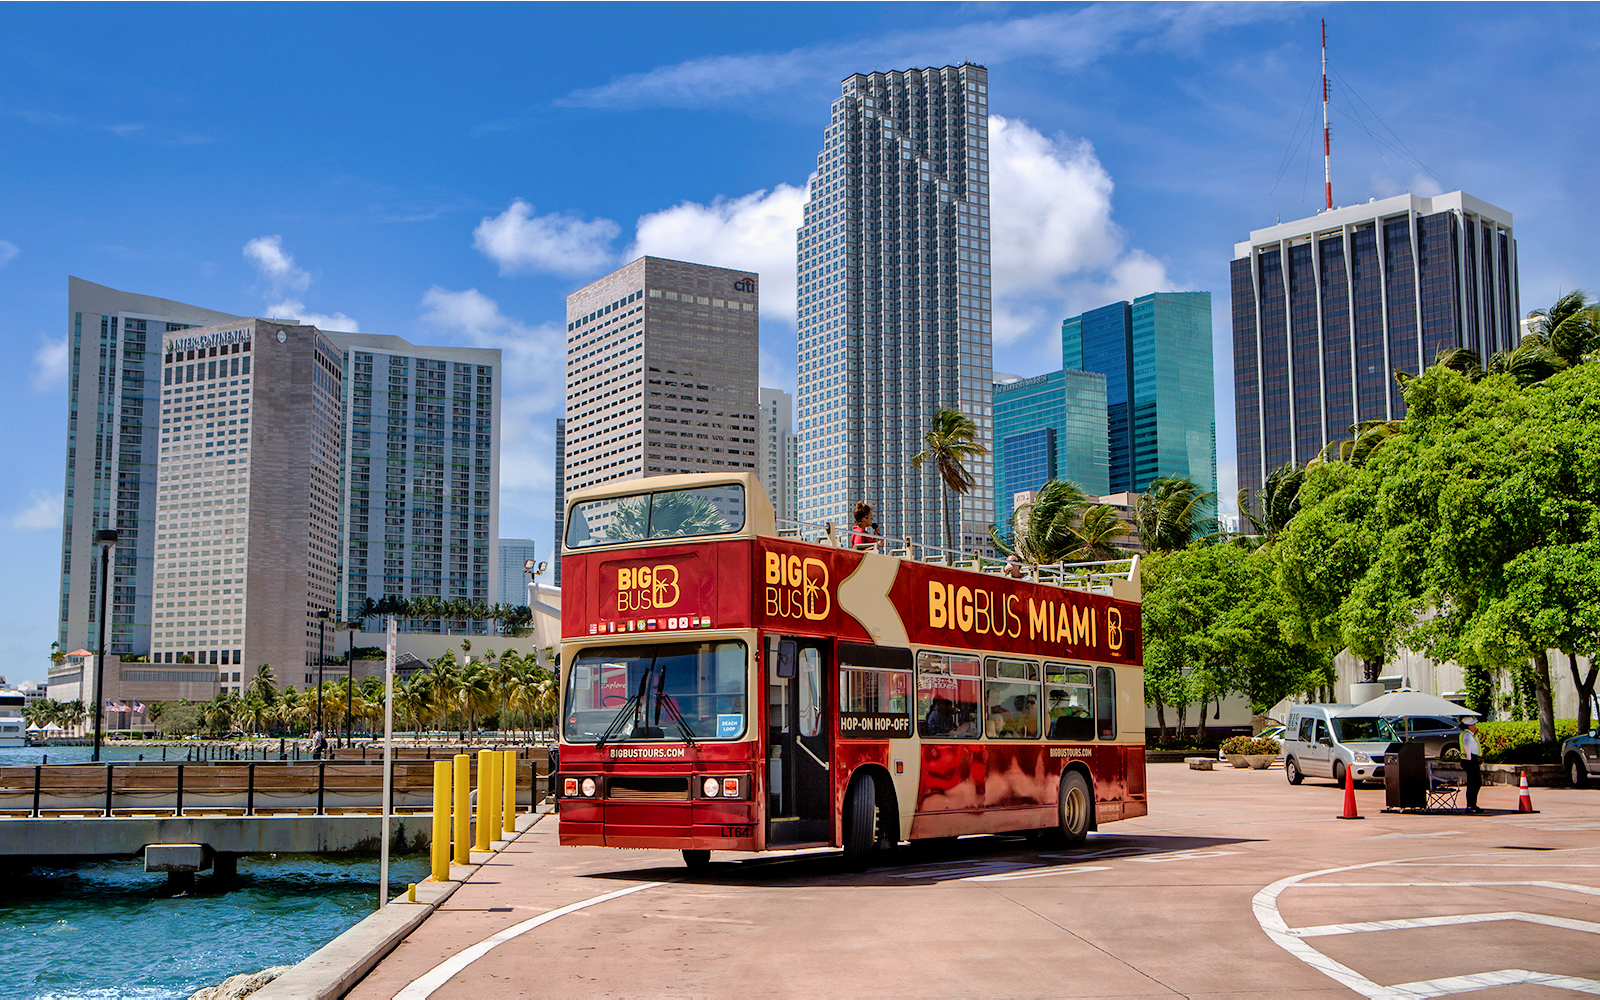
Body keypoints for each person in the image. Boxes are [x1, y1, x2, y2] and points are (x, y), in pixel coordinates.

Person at [1461, 717, 1483, 813]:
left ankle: (1472, 804)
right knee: (1474, 783)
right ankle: (1471, 805)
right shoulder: (1467, 735)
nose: (1474, 726)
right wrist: (1470, 759)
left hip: (1471, 759)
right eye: (1473, 724)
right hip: (1470, 759)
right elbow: (1467, 747)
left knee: (1474, 782)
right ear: (1468, 726)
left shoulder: (1469, 734)